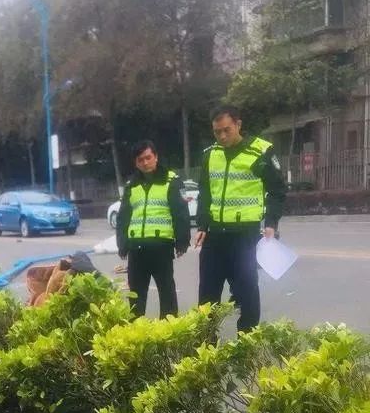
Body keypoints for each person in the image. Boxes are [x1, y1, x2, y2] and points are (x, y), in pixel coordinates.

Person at [195, 106, 286, 332]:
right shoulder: (210, 154)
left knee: (247, 292)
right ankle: (206, 350)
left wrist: (271, 223)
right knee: (207, 298)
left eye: (227, 130)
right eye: (217, 132)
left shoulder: (260, 152)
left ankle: (246, 345)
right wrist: (202, 225)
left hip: (244, 236)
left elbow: (277, 191)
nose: (222, 136)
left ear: (238, 124)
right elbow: (205, 192)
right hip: (215, 236)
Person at [116, 140, 191, 318]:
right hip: (136, 249)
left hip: (161, 247)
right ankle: (137, 337)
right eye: (140, 160)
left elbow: (181, 213)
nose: (145, 163)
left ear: (156, 157)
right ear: (136, 162)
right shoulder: (131, 185)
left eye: (148, 157)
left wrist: (182, 241)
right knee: (136, 298)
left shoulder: (171, 180)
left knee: (167, 295)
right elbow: (123, 217)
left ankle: (169, 335)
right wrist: (122, 243)